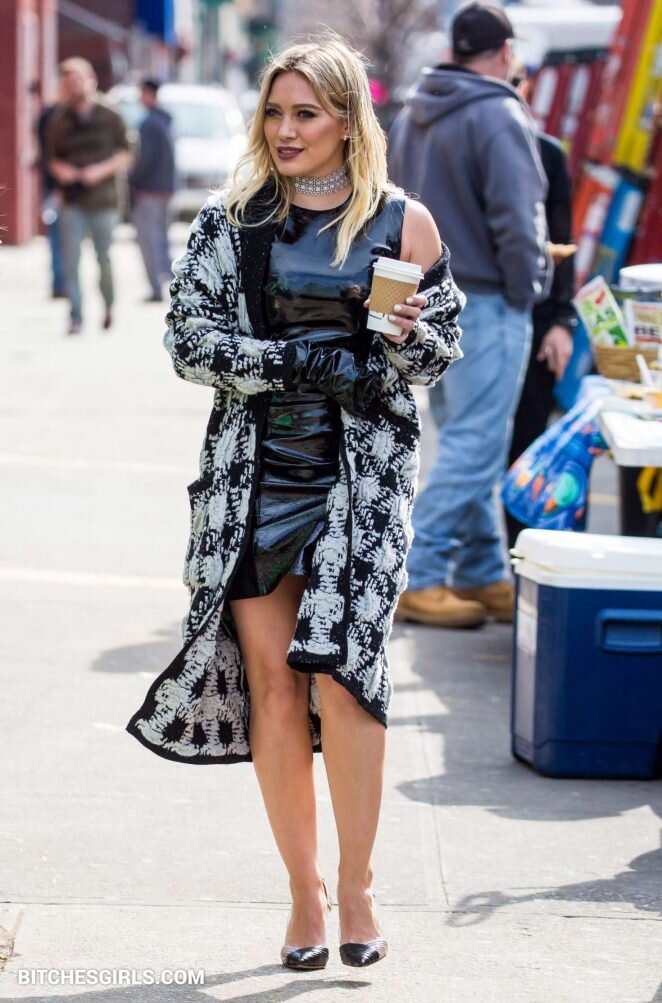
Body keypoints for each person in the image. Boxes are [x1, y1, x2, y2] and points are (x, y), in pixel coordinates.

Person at [126, 35, 464, 971]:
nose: (284, 129)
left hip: (360, 486)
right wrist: (292, 361)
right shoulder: (231, 220)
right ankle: (304, 892)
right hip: (253, 481)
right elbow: (188, 340)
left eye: (305, 113)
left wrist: (402, 338)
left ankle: (357, 885)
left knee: (346, 677)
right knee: (275, 685)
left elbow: (439, 354)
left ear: (348, 119)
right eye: (274, 112)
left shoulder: (404, 222)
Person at [388, 0, 552, 628]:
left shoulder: (414, 110)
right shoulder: (498, 113)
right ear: (505, 53)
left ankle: (481, 572)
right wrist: (528, 286)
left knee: (466, 437)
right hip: (487, 297)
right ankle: (419, 571)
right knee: (475, 443)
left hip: (429, 296)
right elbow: (519, 217)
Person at [506, 66, 576, 550]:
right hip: (473, 317)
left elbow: (563, 243)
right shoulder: (451, 146)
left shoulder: (547, 154)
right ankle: (478, 563)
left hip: (534, 319)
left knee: (528, 448)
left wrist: (561, 322)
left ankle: (520, 557)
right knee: (473, 451)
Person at [46, 58, 131, 334]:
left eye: (77, 81)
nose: (74, 87)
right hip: (73, 200)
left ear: (89, 80)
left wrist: (100, 170)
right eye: (68, 83)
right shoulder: (59, 119)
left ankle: (108, 306)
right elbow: (51, 159)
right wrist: (64, 171)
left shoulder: (110, 114)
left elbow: (126, 152)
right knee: (71, 261)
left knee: (103, 259)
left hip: (104, 199)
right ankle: (76, 316)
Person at [128, 79, 176, 303]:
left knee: (149, 241)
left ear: (148, 94)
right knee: (162, 240)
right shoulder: (165, 120)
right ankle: (175, 285)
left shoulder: (148, 124)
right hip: (166, 189)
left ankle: (156, 288)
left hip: (148, 191)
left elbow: (144, 160)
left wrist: (131, 180)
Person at [35, 82, 67, 299]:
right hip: (56, 188)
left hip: (78, 190)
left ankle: (64, 282)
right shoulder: (50, 117)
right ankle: (60, 282)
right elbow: (48, 156)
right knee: (57, 237)